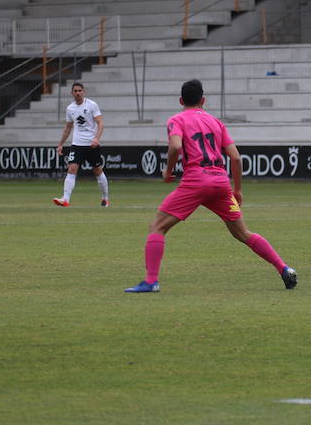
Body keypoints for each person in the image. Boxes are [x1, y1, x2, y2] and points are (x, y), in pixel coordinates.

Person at [124, 79, 297, 292]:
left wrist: (168, 171)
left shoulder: (176, 119)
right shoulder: (216, 122)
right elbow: (235, 157)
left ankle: (151, 281)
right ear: (203, 100)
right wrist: (238, 190)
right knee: (242, 233)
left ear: (180, 100)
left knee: (157, 227)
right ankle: (284, 268)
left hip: (196, 181)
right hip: (221, 182)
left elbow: (176, 146)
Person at [53, 82, 109, 207]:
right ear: (72, 93)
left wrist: (96, 138)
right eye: (75, 91)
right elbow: (68, 128)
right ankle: (65, 199)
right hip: (77, 145)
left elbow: (100, 123)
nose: (78, 93)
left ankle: (105, 198)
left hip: (91, 145)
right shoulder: (70, 109)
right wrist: (60, 144)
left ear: (83, 92)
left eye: (80, 91)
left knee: (98, 171)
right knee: (72, 169)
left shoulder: (92, 105)